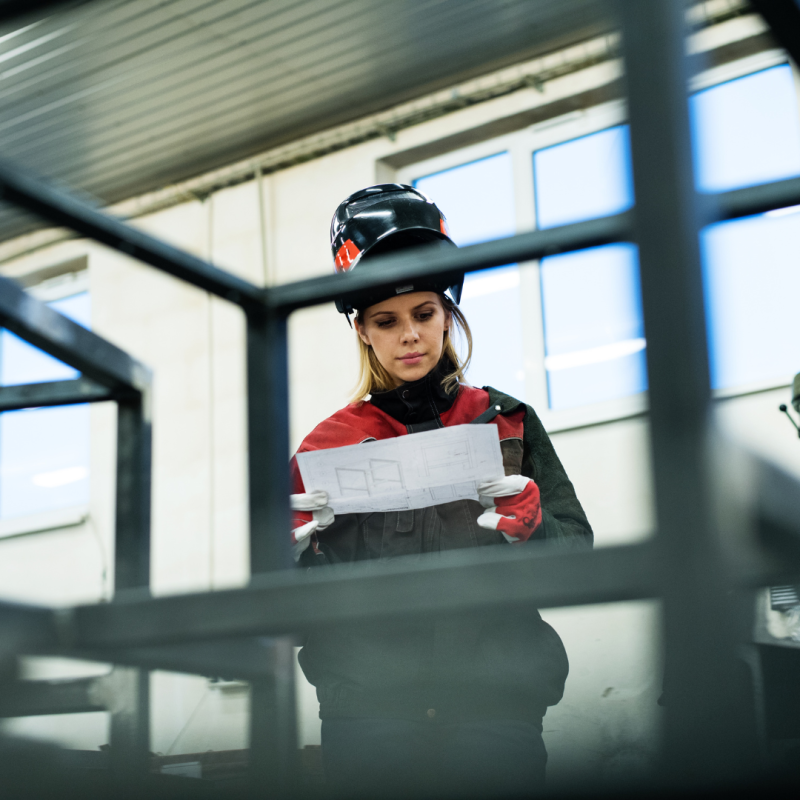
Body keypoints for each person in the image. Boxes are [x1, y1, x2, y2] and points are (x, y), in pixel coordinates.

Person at [289, 184, 593, 797]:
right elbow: (290, 616)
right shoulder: (325, 448)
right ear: (361, 330)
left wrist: (536, 528)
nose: (410, 336)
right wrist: (293, 556)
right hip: (370, 722)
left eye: (424, 314)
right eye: (386, 320)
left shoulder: (507, 421)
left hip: (495, 713)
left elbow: (579, 563)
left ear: (448, 312)